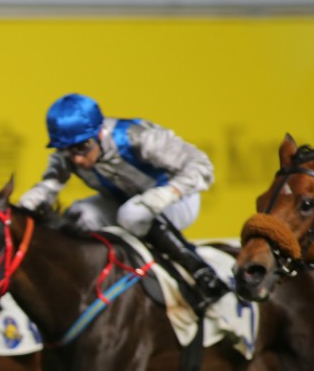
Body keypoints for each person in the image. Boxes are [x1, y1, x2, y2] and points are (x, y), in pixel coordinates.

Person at [18, 93, 227, 310]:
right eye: (66, 150)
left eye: (83, 147)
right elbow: (48, 187)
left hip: (177, 200)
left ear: (99, 132)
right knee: (81, 214)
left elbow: (201, 165)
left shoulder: (135, 137)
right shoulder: (67, 156)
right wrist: (19, 210)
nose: (77, 159)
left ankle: (201, 272)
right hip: (124, 203)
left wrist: (166, 193)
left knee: (133, 214)